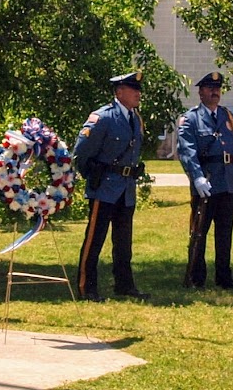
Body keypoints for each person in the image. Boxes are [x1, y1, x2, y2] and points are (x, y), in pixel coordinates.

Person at [73, 72, 150, 302]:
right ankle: (87, 287)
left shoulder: (135, 118)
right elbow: (81, 152)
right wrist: (93, 176)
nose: (138, 93)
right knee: (94, 239)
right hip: (105, 187)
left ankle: (124, 285)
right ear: (119, 92)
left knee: (123, 242)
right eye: (132, 89)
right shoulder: (104, 117)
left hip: (126, 189)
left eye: (138, 89)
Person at [177, 72, 233, 289]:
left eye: (217, 88)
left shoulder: (228, 117)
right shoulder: (191, 119)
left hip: (227, 181)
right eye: (210, 88)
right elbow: (187, 151)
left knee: (225, 233)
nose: (215, 92)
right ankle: (196, 277)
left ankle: (224, 276)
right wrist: (196, 178)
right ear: (201, 92)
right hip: (206, 181)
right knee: (199, 232)